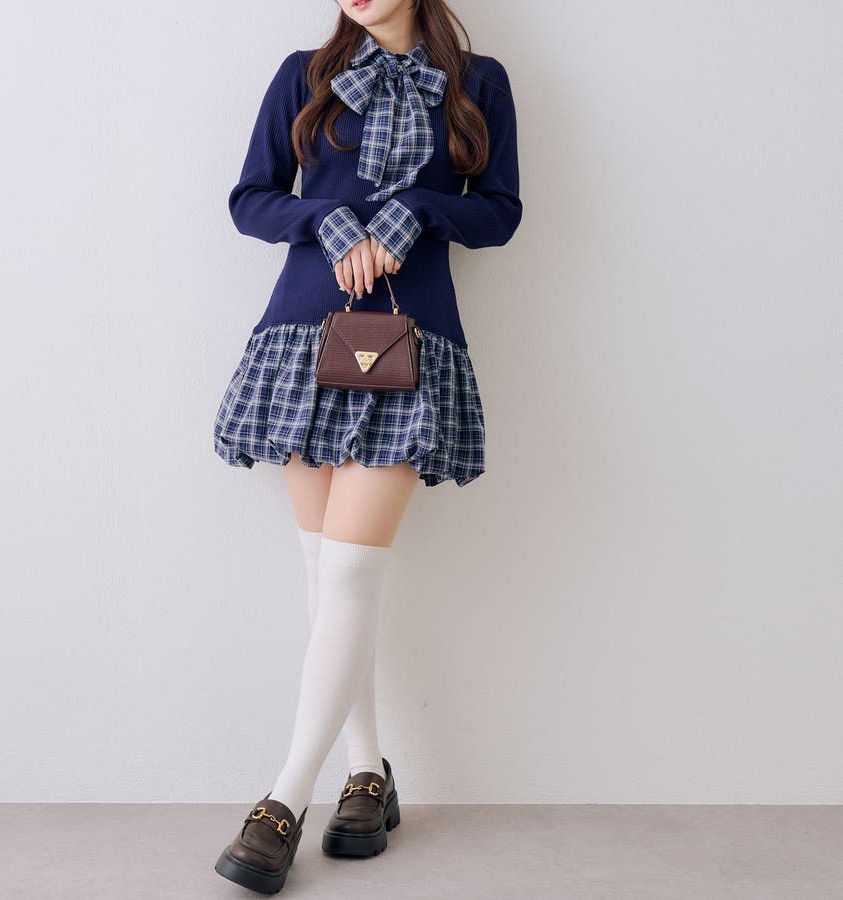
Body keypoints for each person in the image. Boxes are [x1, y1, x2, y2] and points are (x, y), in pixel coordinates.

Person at [213, 0, 522, 892]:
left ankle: (283, 799)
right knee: (327, 577)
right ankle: (366, 774)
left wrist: (415, 212)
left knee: (348, 574)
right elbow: (251, 198)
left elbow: (500, 213)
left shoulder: (478, 84)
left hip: (411, 343)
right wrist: (331, 221)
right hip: (299, 339)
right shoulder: (304, 75)